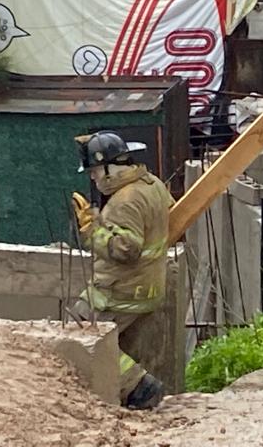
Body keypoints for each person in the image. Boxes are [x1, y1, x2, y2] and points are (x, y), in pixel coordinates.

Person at [69, 131, 174, 410]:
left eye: (94, 172)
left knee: (81, 333)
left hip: (122, 289)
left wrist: (91, 230)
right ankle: (128, 391)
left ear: (108, 167)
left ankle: (139, 386)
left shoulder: (124, 200)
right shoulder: (152, 185)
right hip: (147, 284)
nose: (93, 178)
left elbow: (126, 250)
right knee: (116, 344)